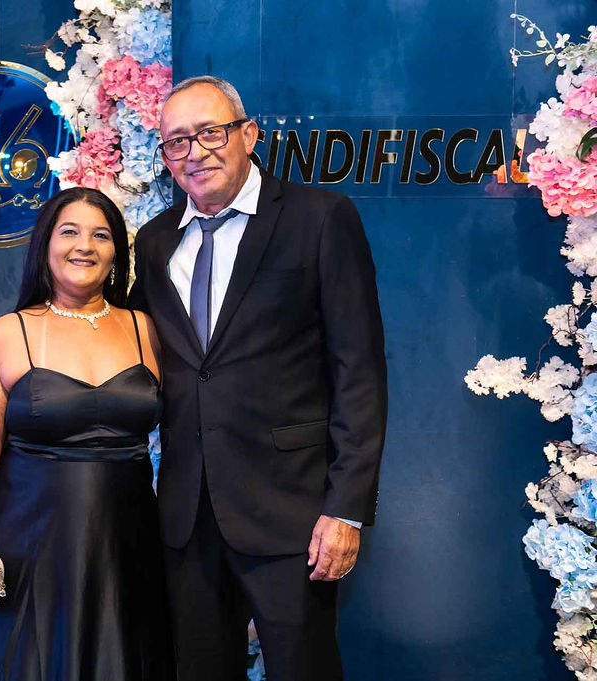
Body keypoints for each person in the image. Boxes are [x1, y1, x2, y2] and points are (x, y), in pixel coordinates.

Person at [128, 76, 387, 681]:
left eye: (210, 133)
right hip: (187, 519)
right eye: (177, 141)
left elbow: (359, 372)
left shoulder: (319, 218)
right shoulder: (155, 241)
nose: (195, 152)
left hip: (293, 514)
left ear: (248, 135)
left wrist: (345, 510)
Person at [0, 186, 174, 681]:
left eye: (101, 235)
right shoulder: (9, 333)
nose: (84, 245)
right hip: (28, 548)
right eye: (70, 232)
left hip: (126, 547)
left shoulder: (146, 329)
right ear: (45, 244)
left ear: (116, 252)